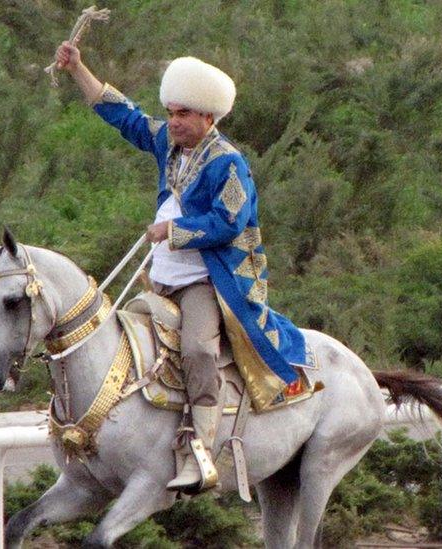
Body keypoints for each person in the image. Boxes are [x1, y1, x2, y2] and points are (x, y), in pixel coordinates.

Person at [54, 41, 313, 493]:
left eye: (183, 114)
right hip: (161, 276)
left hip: (205, 279)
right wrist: (79, 70)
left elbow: (230, 223)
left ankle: (203, 450)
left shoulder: (230, 164)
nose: (172, 121)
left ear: (208, 118)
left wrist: (173, 233)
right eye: (171, 112)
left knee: (197, 349)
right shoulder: (168, 144)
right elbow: (124, 115)